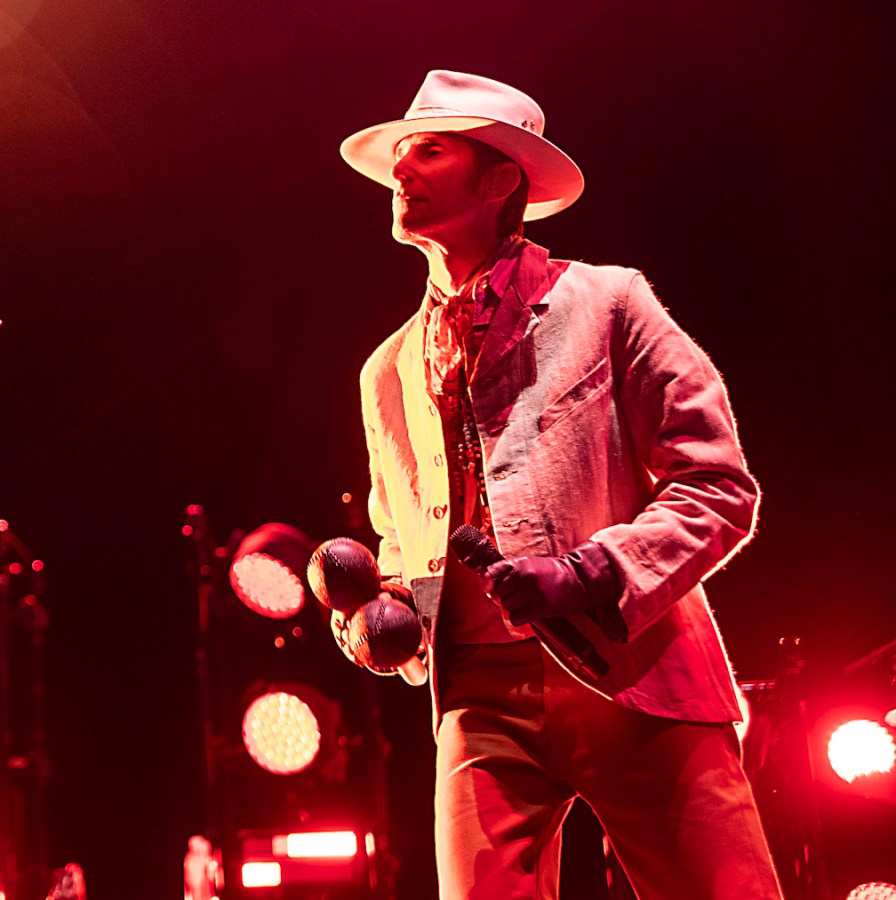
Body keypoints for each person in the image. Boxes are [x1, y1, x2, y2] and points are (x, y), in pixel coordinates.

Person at [327, 70, 782, 898]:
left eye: (428, 150)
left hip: (635, 671)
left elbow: (719, 486)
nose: (401, 169)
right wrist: (372, 620)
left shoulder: (607, 301)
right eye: (401, 153)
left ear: (502, 178)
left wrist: (586, 574)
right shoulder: (385, 370)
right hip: (477, 700)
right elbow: (403, 542)